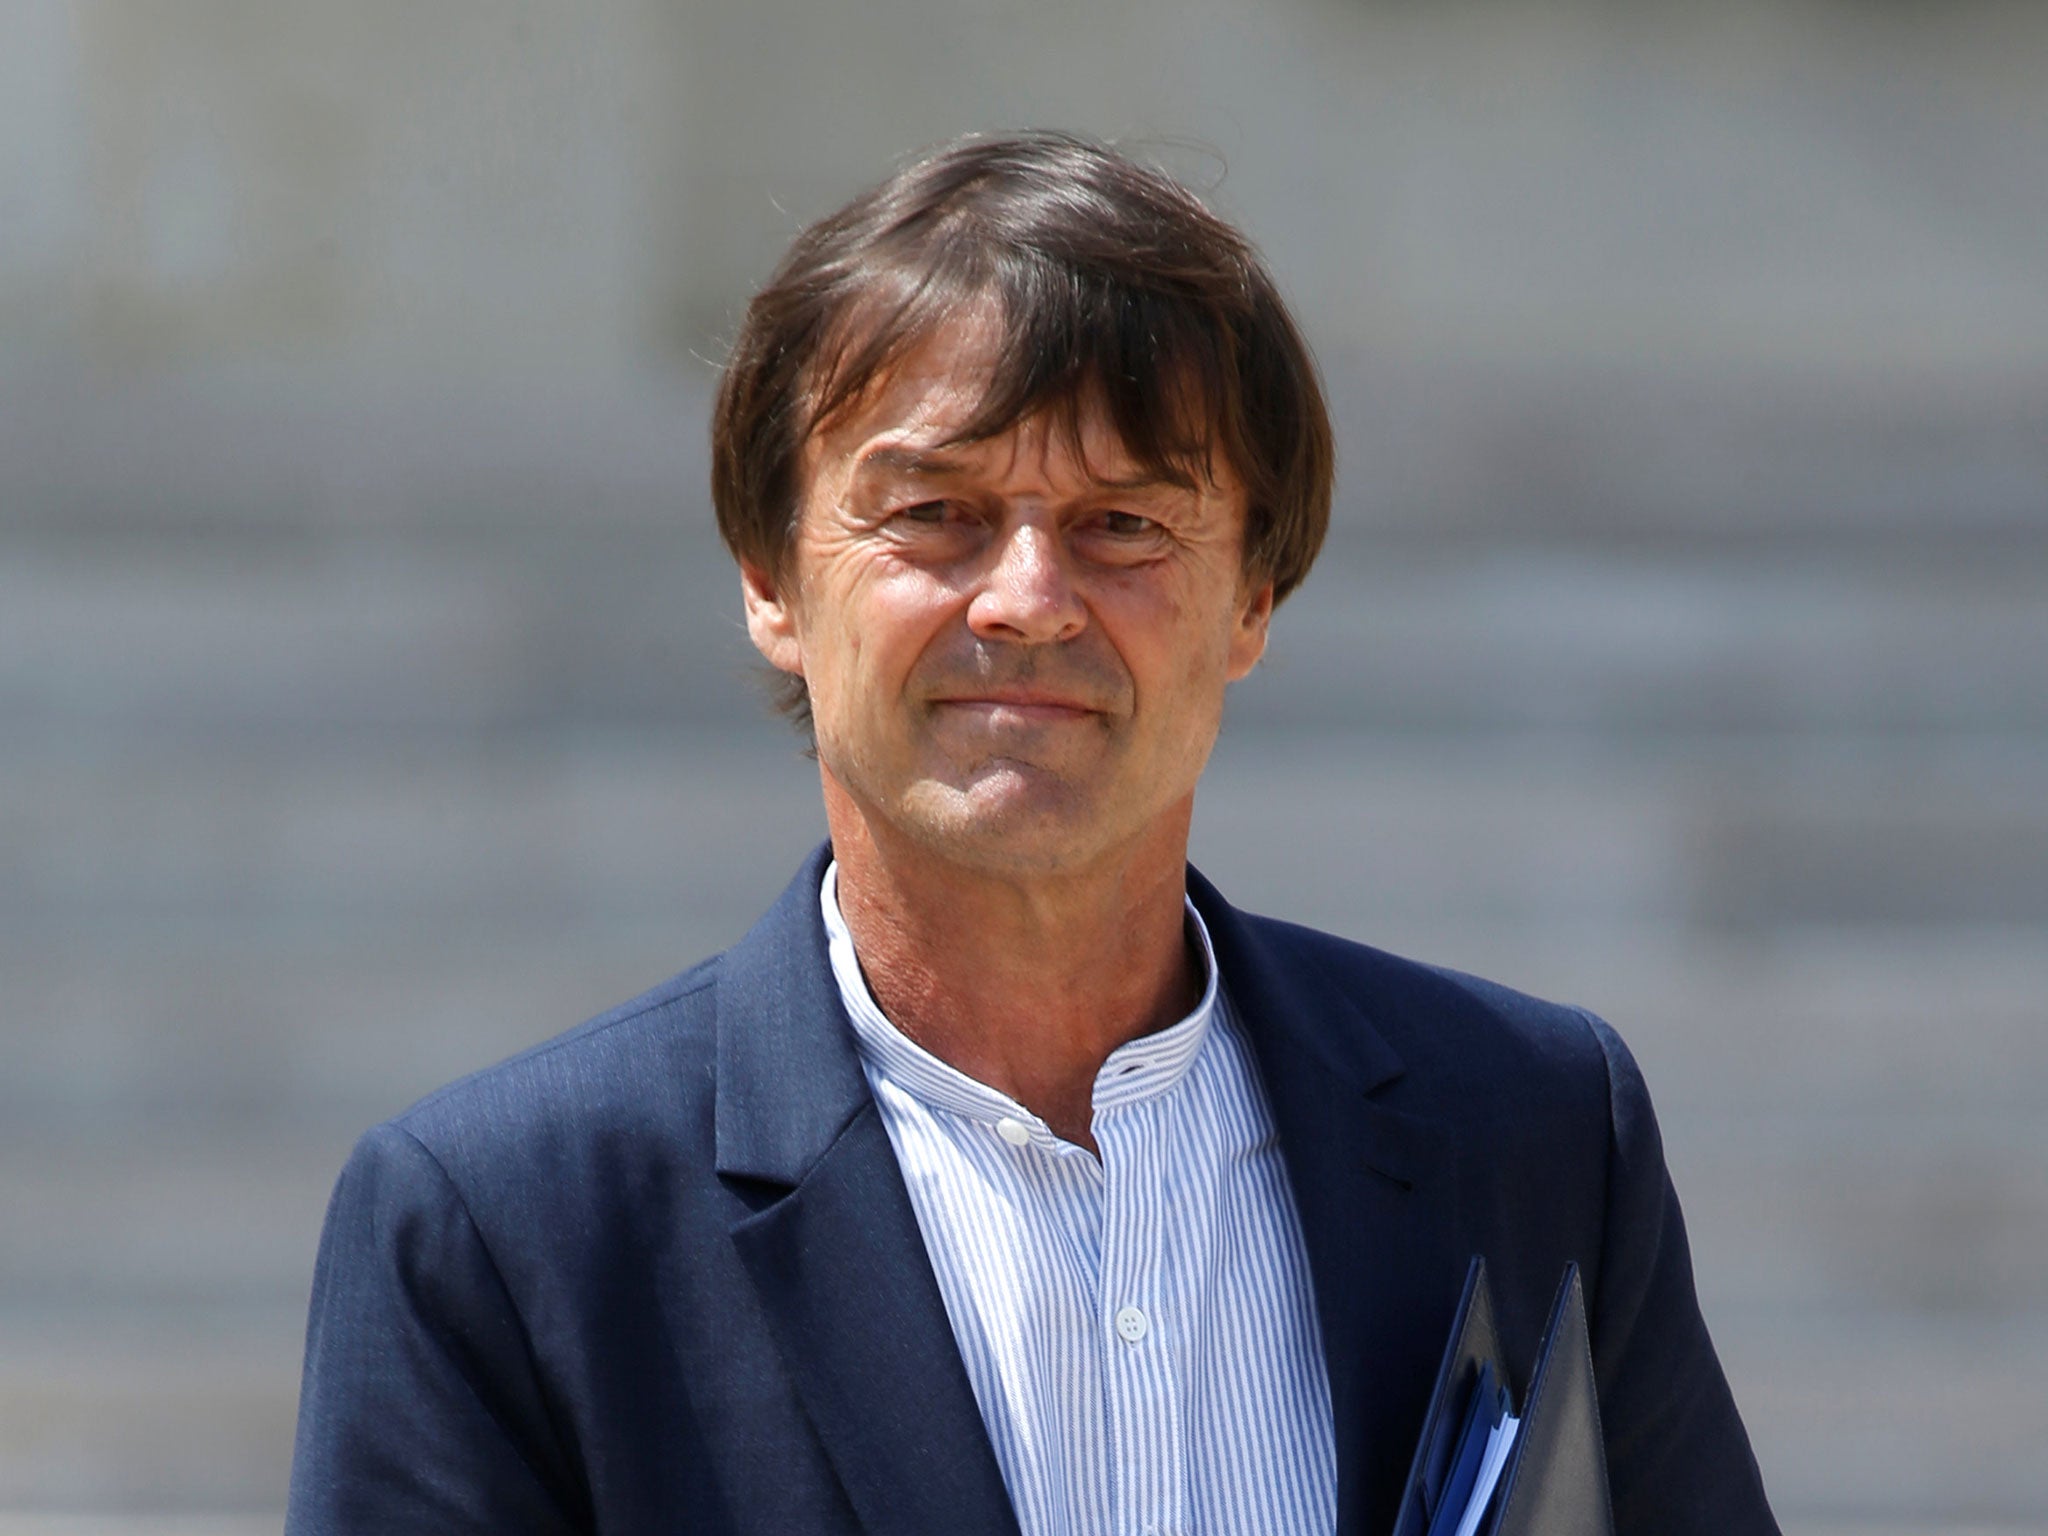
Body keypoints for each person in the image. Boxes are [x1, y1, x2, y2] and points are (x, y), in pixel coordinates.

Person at [285, 131, 1779, 1535]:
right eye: (932, 512)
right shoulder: (501, 1229)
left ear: (1252, 596)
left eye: (1127, 525)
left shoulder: (1532, 1128)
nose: (1028, 597)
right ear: (769, 579)